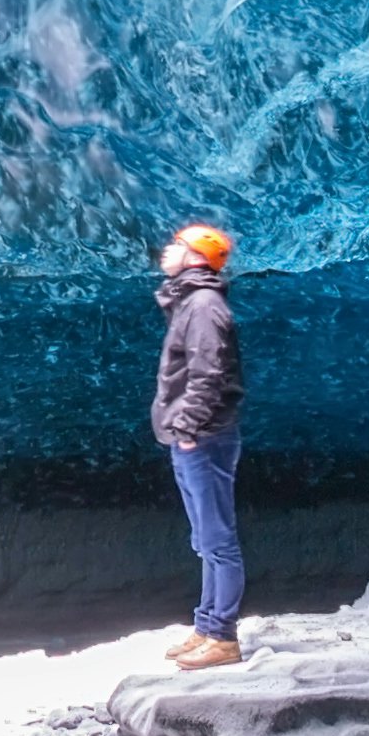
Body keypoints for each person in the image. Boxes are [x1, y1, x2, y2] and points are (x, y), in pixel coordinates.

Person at [152, 221, 248, 666]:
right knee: (204, 539)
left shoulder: (204, 305)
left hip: (204, 438)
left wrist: (187, 428)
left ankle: (224, 638)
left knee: (218, 539)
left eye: (176, 244)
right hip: (192, 436)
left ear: (194, 256)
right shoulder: (190, 301)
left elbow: (208, 375)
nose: (167, 251)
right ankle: (206, 625)